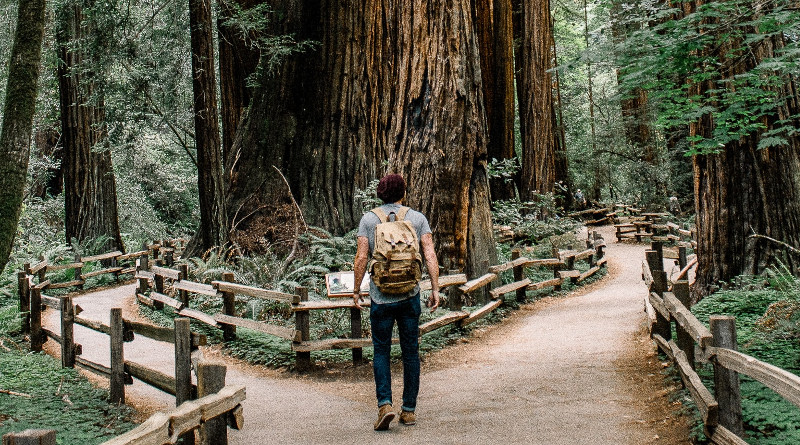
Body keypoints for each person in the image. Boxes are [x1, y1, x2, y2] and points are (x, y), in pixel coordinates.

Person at [352, 173, 440, 431]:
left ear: (380, 193)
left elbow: (361, 257)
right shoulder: (417, 218)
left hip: (381, 298)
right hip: (410, 296)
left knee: (381, 351)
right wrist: (435, 288)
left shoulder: (369, 219)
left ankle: (385, 405)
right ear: (403, 193)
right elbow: (429, 253)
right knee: (410, 352)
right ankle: (409, 411)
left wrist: (356, 290)